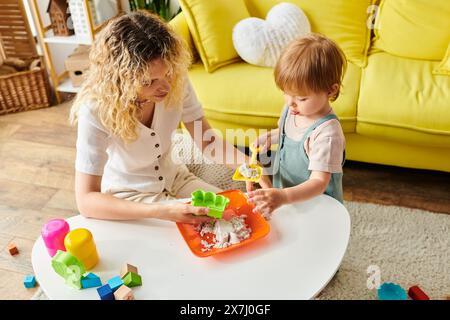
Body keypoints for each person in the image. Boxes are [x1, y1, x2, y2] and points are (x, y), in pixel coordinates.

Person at [70, 11, 270, 223]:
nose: (164, 87)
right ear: (122, 79)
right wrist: (163, 211)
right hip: (130, 199)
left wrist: (249, 166)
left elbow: (208, 141)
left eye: (167, 74)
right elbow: (86, 200)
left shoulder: (175, 81)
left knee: (238, 219)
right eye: (149, 81)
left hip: (176, 179)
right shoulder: (95, 109)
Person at [247, 34, 347, 216]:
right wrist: (272, 136)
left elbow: (319, 182)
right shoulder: (293, 109)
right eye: (285, 93)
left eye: (301, 98)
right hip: (287, 193)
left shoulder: (328, 134)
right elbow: (288, 133)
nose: (290, 102)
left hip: (318, 206)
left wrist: (284, 196)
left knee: (317, 239)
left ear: (331, 90)